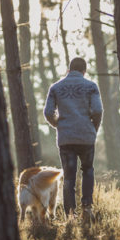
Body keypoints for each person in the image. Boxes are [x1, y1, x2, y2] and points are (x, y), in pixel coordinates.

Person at [43, 57, 103, 220]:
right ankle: (87, 208)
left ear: (69, 70)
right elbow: (97, 110)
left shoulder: (55, 87)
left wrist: (58, 125)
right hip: (86, 137)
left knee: (69, 177)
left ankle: (70, 214)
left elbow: (48, 112)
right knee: (88, 170)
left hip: (66, 138)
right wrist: (93, 128)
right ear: (84, 71)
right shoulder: (91, 86)